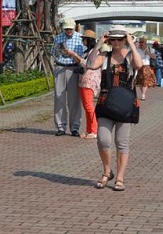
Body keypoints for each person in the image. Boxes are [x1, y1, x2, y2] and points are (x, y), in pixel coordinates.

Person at [86, 25, 142, 192]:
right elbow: (89, 65)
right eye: (114, 39)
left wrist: (131, 43)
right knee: (103, 139)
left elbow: (139, 65)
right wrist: (98, 44)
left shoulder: (130, 55)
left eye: (120, 39)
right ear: (109, 40)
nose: (116, 42)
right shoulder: (105, 55)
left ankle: (120, 177)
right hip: (106, 102)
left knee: (121, 142)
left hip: (125, 104)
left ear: (124, 39)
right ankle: (106, 171)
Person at [51, 18, 85, 137]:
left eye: (70, 29)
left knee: (74, 100)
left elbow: (82, 57)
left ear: (74, 27)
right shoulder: (58, 37)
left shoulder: (80, 38)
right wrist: (60, 50)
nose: (68, 31)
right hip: (60, 67)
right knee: (59, 99)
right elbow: (53, 52)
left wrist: (72, 54)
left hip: (74, 69)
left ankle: (75, 127)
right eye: (66, 29)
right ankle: (60, 126)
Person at [64, 30, 101, 139]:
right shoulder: (88, 51)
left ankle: (94, 130)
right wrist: (74, 56)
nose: (82, 40)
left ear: (88, 40)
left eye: (84, 39)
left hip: (89, 82)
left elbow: (87, 64)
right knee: (86, 107)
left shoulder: (94, 52)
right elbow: (81, 62)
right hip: (83, 81)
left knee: (89, 107)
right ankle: (89, 130)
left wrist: (74, 54)